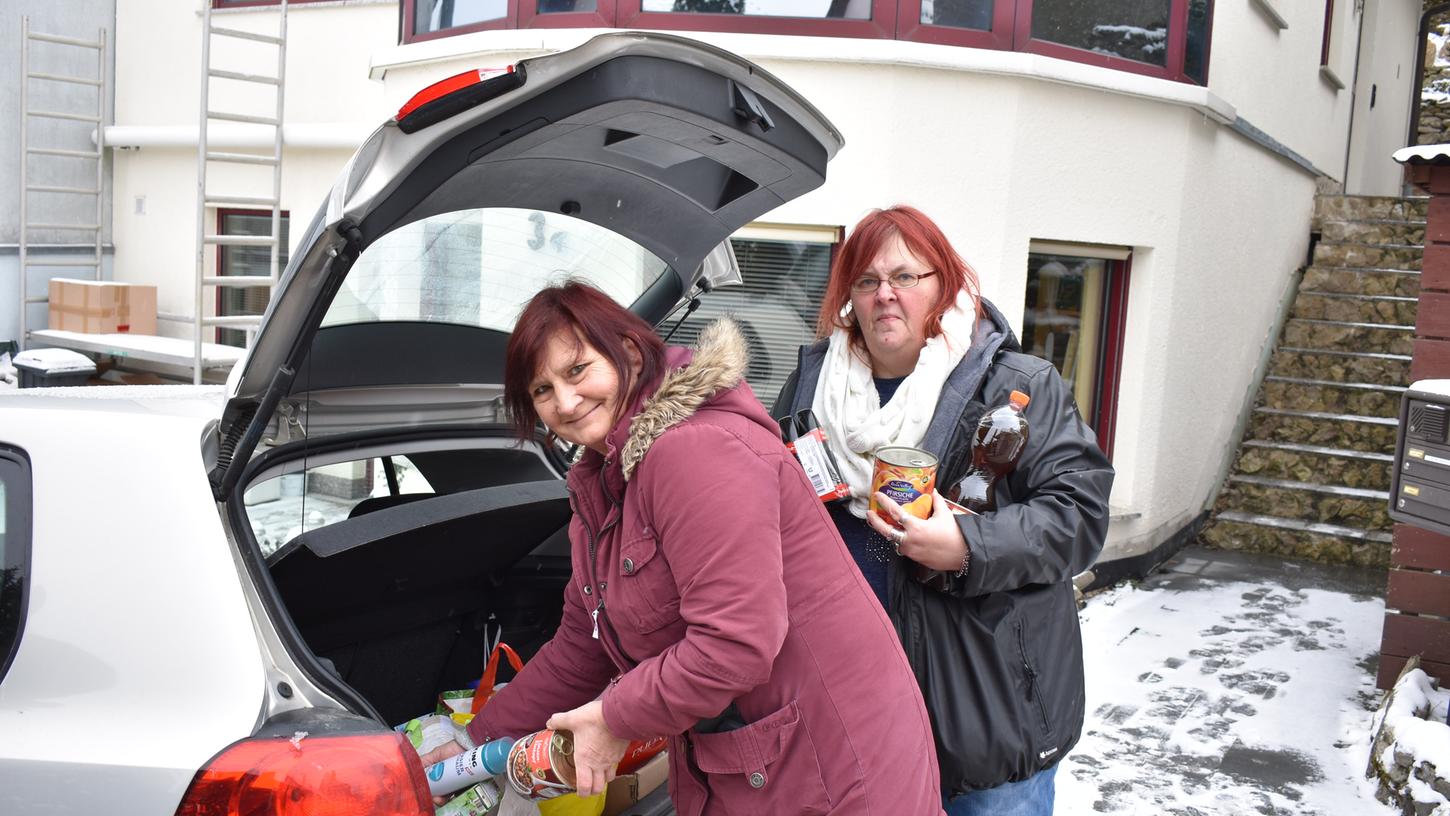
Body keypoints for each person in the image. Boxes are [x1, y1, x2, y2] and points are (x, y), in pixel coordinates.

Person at [421, 281, 944, 815]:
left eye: (577, 371)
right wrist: (474, 743)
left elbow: (735, 642)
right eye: (542, 390)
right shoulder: (602, 484)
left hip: (836, 766)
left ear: (626, 351)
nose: (565, 401)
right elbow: (584, 644)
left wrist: (612, 719)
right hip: (751, 764)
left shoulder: (696, 451)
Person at [772, 206, 1115, 816]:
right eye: (867, 281)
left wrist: (968, 546)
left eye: (906, 277)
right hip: (852, 710)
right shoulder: (812, 387)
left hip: (981, 711)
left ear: (945, 285)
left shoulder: (1017, 385)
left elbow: (1078, 515)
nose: (885, 296)